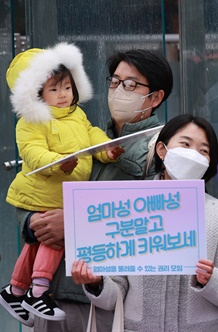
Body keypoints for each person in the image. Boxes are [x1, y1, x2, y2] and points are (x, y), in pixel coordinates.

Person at [14, 49, 173, 331]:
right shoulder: (86, 137)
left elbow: (159, 224)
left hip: (110, 300)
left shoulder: (163, 151)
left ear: (156, 97)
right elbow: (34, 189)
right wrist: (31, 222)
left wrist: (76, 225)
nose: (118, 90)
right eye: (114, 81)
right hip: (52, 295)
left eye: (131, 84)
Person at [71, 114, 218, 331]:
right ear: (162, 150)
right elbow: (114, 295)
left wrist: (210, 279)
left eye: (203, 150)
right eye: (185, 144)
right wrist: (96, 282)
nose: (193, 155)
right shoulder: (130, 208)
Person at [0, 43, 122, 327]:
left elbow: (92, 137)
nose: (63, 95)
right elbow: (32, 152)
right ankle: (38, 292)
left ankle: (15, 290)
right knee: (54, 239)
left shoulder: (77, 115)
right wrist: (59, 162)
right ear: (36, 94)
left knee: (37, 243)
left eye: (67, 87)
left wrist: (108, 150)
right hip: (41, 194)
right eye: (54, 89)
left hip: (61, 195)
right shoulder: (31, 121)